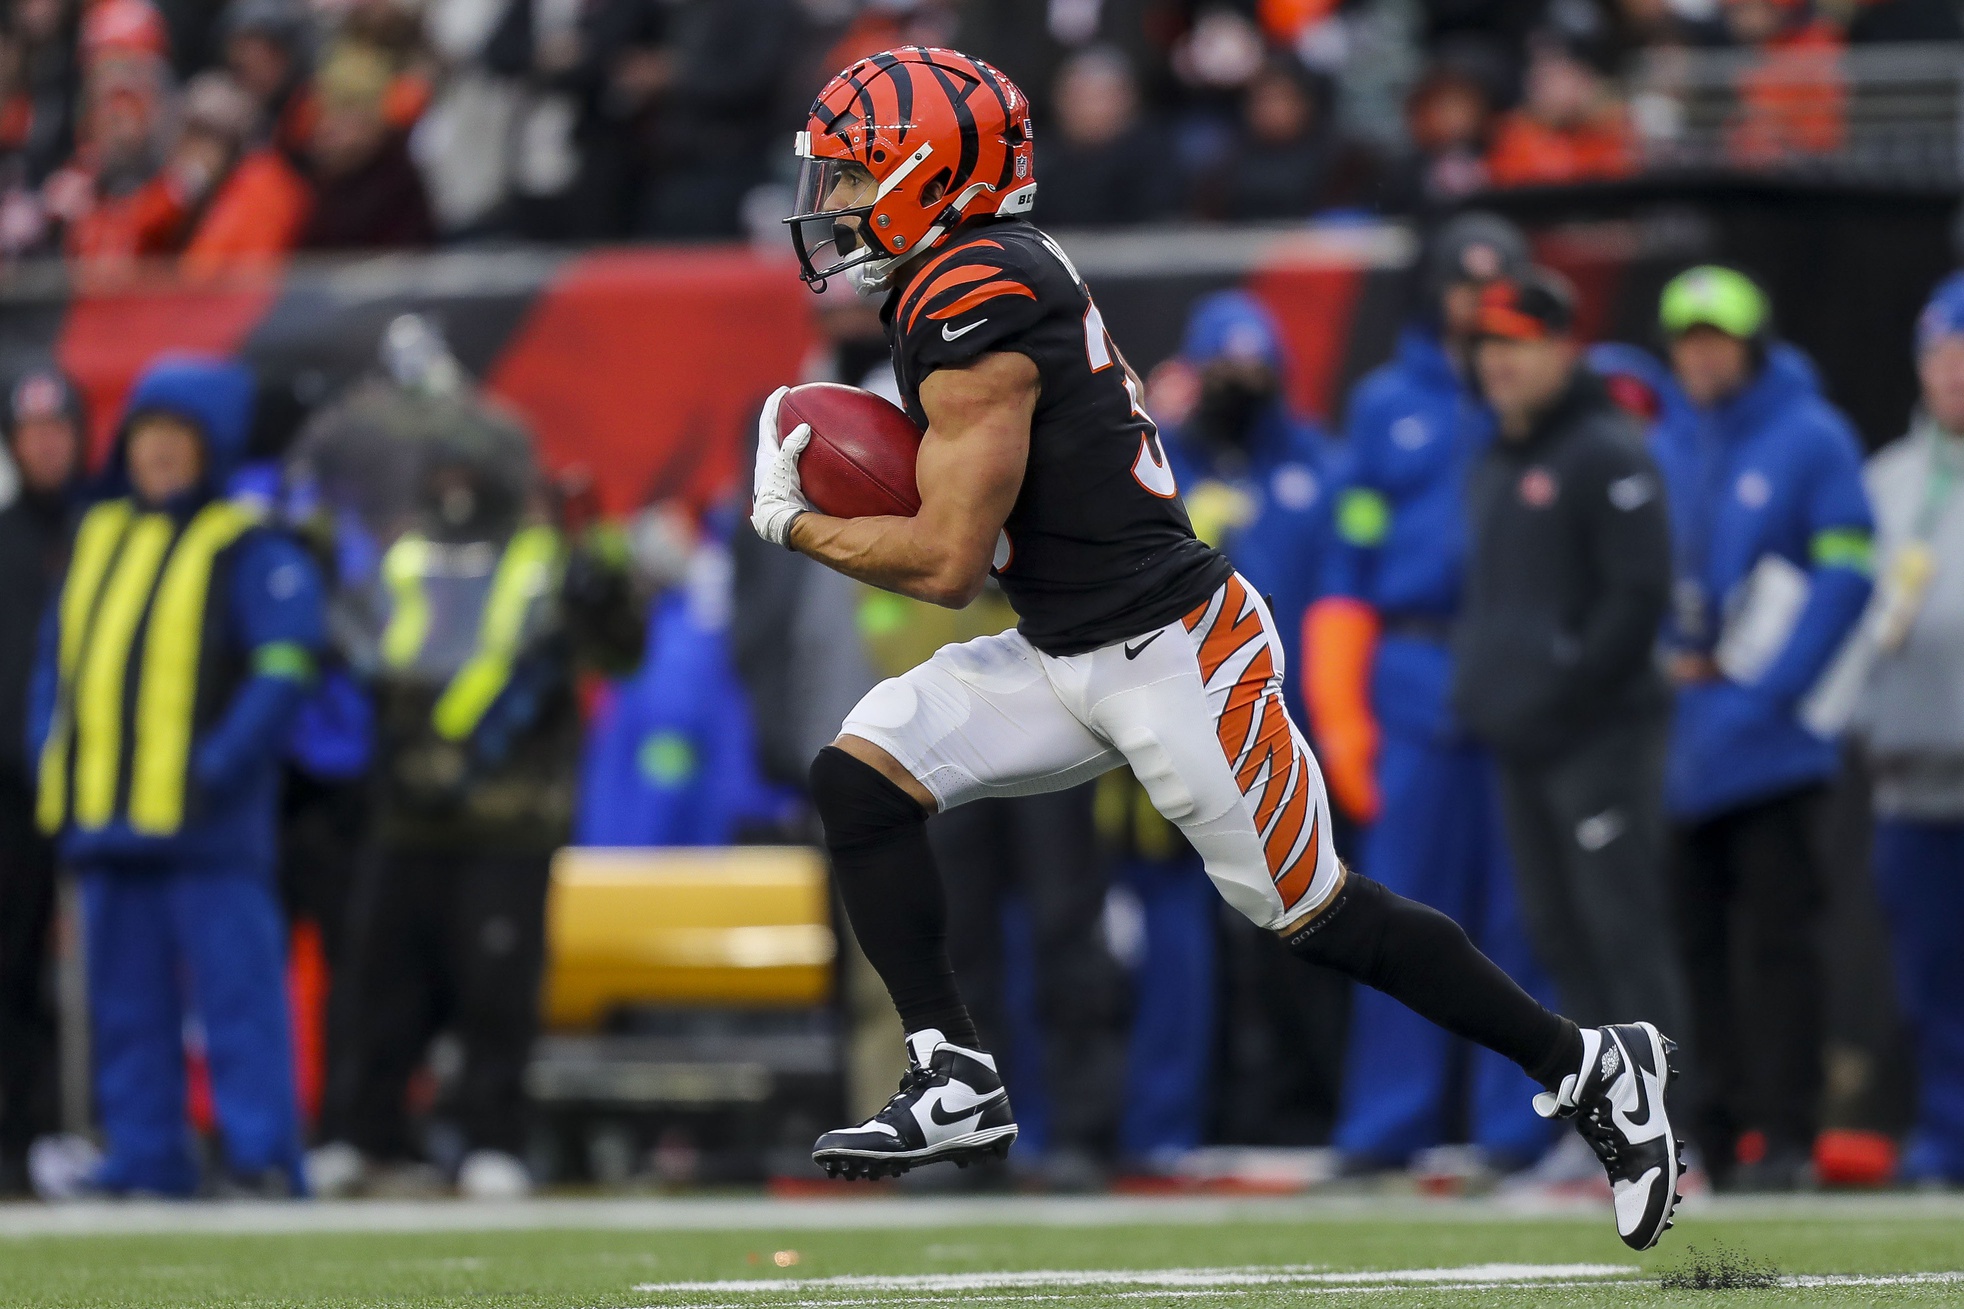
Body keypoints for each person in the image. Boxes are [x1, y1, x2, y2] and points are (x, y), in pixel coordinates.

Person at [764, 46, 1685, 1251]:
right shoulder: (962, 278)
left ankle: (1592, 1066)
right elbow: (982, 555)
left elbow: (942, 565)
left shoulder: (969, 294)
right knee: (859, 775)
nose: (828, 205)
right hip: (1062, 646)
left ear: (925, 176)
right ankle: (953, 1074)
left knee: (1311, 911)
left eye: (848, 176)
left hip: (1173, 654)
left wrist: (796, 519)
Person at [303, 323, 642, 1199]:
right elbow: (358, 650)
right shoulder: (404, 558)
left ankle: (493, 1136)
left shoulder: (543, 558)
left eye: (467, 471)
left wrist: (605, 591)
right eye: (441, 471)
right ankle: (364, 1135)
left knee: (496, 989)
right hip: (406, 811)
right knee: (380, 987)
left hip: (509, 816)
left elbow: (617, 649)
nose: (453, 484)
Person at [28, 354, 325, 1196]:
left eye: (176, 439)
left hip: (208, 823)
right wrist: (50, 750)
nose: (157, 454)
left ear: (214, 448)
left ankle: (263, 1153)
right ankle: (145, 1153)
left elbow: (283, 668)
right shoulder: (101, 538)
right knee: (123, 1005)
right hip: (108, 816)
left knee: (238, 1001)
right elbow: (59, 662)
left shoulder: (246, 546)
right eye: (146, 436)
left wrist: (222, 762)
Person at [1304, 212, 1558, 1179]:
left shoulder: (1538, 392)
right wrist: (1343, 711)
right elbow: (1348, 558)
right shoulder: (1386, 406)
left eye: (1496, 288)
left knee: (1519, 915)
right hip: (1411, 674)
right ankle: (1385, 1122)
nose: (1478, 306)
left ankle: (1516, 1125)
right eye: (1466, 286)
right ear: (1437, 293)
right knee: (1399, 917)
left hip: (1516, 667)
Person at [1648, 265, 1873, 1190]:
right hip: (1681, 740)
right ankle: (1710, 1122)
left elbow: (1848, 568)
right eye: (1688, 338)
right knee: (1689, 948)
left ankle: (1783, 1133)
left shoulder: (1810, 433)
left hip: (1773, 746)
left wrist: (1769, 685)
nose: (1701, 353)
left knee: (1779, 947)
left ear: (1753, 341)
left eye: (1719, 337)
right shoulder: (1668, 438)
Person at [1456, 271, 1688, 1052]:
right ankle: (1603, 1127)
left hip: (1599, 737)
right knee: (1556, 936)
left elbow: (1638, 596)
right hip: (1524, 741)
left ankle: (1671, 1125)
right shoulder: (1496, 457)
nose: (1498, 361)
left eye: (1516, 344)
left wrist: (1565, 689)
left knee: (1622, 929)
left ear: (1562, 348)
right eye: (1487, 344)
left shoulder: (1607, 450)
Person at [1852, 272, 1964, 1187]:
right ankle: (1944, 1135)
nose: (1956, 369)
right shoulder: (1886, 483)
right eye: (1942, 350)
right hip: (1908, 777)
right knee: (1929, 982)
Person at [0, 369, 83, 1196]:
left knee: (118, 979)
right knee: (13, 973)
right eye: (33, 431)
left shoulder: (108, 534)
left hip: (106, 790)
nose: (46, 443)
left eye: (60, 427)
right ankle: (18, 1141)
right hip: (10, 796)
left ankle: (92, 1135)